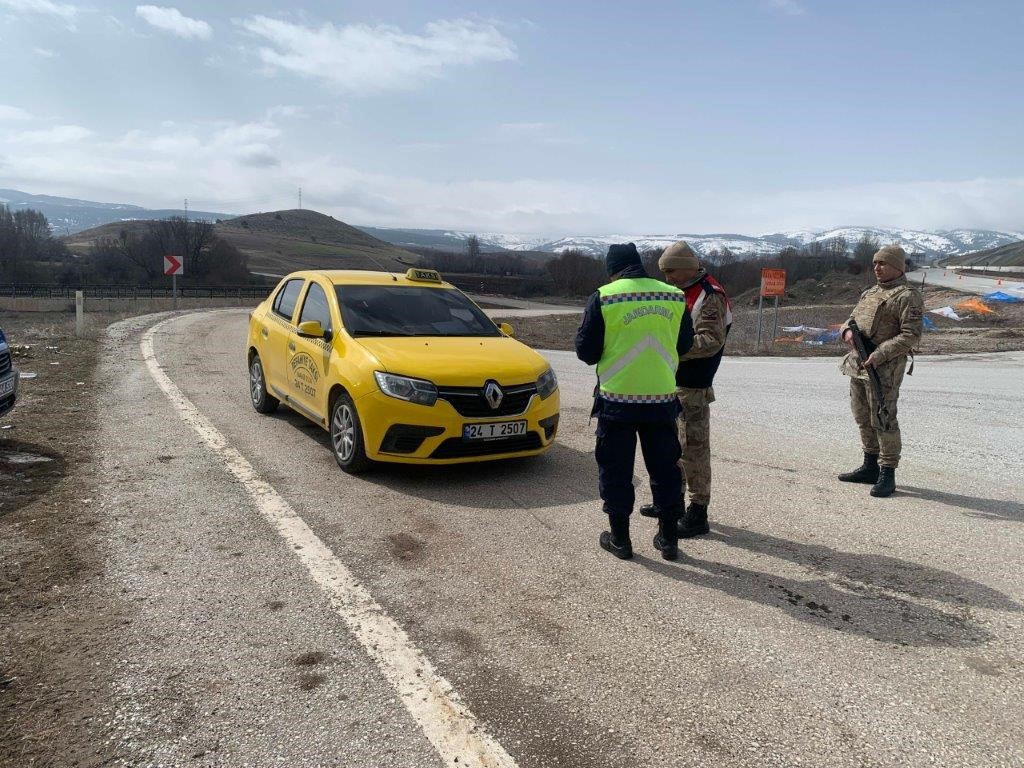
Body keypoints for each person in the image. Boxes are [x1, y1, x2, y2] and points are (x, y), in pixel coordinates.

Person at [575, 243, 694, 561]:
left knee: (616, 471)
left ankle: (620, 540)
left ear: (612, 269)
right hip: (662, 400)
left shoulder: (605, 296)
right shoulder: (673, 295)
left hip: (617, 402)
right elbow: (684, 343)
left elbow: (586, 353)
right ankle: (668, 540)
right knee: (666, 470)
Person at [639, 241, 732, 536]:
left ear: (687, 266)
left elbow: (711, 341)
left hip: (693, 384)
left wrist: (671, 349)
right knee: (671, 449)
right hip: (672, 382)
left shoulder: (709, 294)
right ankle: (672, 502)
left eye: (671, 272)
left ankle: (697, 511)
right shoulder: (681, 291)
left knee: (694, 450)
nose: (669, 278)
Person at [838, 244, 923, 497]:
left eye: (882, 263)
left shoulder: (908, 296)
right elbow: (850, 318)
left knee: (884, 419)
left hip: (884, 368)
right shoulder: (870, 292)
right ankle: (869, 466)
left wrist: (879, 354)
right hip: (858, 364)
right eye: (875, 263)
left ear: (898, 267)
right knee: (863, 416)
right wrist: (847, 332)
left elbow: (911, 335)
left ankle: (887, 472)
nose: (877, 267)